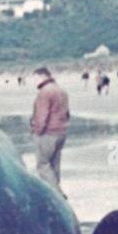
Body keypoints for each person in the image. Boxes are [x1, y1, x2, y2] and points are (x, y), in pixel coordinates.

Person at [29, 66, 70, 196]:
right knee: (54, 165)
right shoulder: (61, 90)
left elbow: (42, 116)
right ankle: (56, 190)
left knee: (43, 165)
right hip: (61, 132)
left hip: (48, 133)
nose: (33, 81)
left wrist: (37, 131)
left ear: (42, 76)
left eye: (34, 77)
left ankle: (56, 194)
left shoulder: (45, 92)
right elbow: (67, 113)